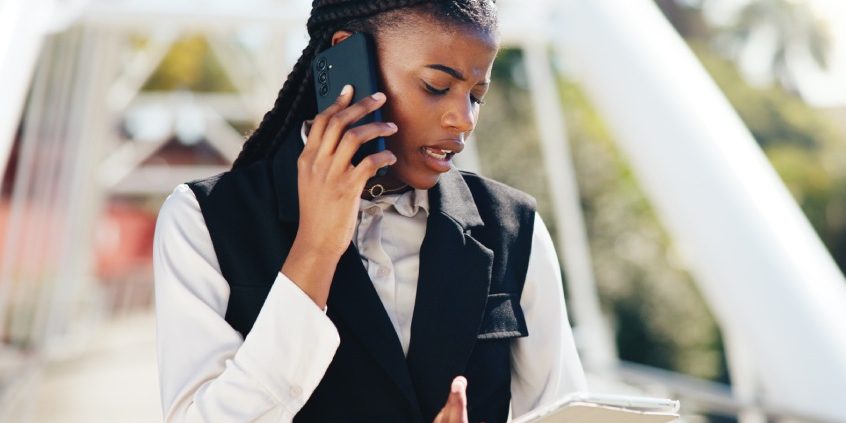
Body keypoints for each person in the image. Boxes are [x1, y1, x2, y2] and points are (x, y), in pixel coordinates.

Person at [151, 0, 587, 421]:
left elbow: (567, 414)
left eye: (476, 95)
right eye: (437, 86)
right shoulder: (204, 220)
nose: (464, 119)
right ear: (348, 58)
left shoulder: (514, 227)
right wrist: (316, 249)